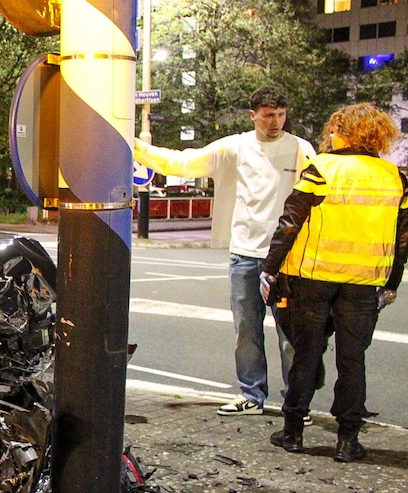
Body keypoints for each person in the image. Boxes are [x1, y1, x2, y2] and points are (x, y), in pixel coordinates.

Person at [135, 86, 317, 418]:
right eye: (267, 115)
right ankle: (251, 394)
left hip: (288, 256)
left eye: (280, 114)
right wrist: (135, 147)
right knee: (247, 330)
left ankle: (297, 401)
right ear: (253, 116)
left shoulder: (300, 150)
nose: (275, 122)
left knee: (291, 333)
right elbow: (184, 162)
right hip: (245, 253)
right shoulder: (235, 147)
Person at [263, 102, 408, 462]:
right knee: (352, 359)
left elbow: (290, 222)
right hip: (363, 283)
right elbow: (401, 237)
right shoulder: (395, 177)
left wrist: (271, 267)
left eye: (335, 129)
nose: (330, 135)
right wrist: (392, 282)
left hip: (314, 278)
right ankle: (347, 440)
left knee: (307, 353)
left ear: (344, 132)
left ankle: (293, 432)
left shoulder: (322, 168)